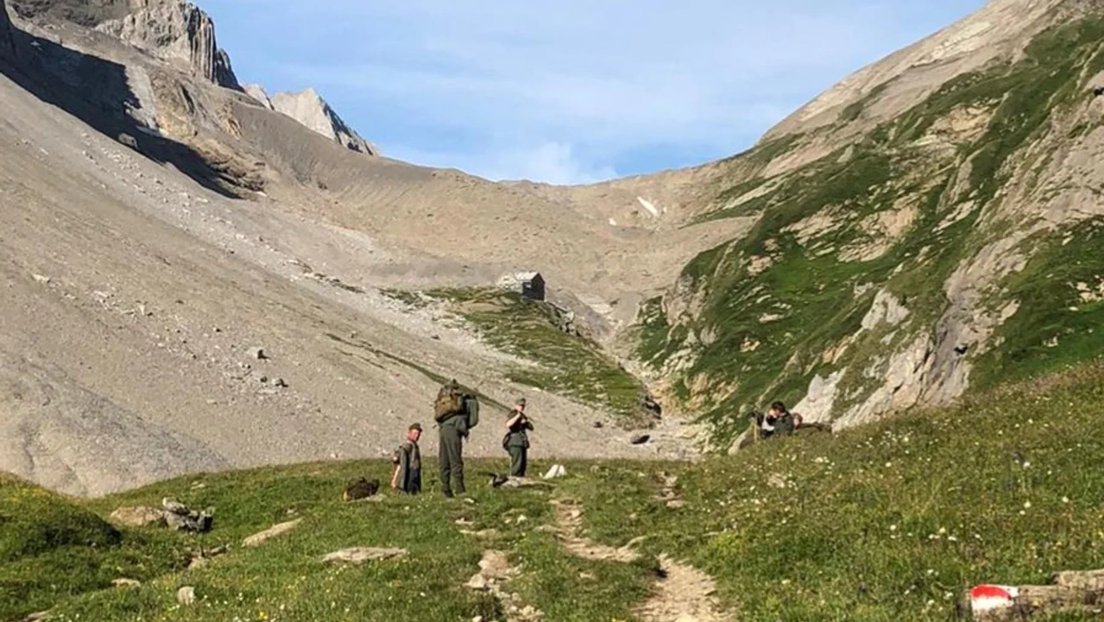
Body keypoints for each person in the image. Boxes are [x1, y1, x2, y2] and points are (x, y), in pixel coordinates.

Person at [436, 380, 470, 498]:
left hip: (443, 428)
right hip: (454, 428)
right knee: (455, 459)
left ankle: (446, 489)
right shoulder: (459, 397)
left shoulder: (442, 397)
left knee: (444, 459)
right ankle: (460, 489)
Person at [503, 398, 534, 477]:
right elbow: (508, 424)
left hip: (522, 441)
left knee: (522, 464)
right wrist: (517, 417)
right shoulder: (513, 414)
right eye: (520, 405)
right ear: (516, 405)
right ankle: (514, 479)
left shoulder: (524, 416)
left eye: (523, 406)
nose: (522, 407)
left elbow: (531, 427)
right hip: (515, 441)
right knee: (517, 463)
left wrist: (526, 422)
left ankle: (520, 478)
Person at [391, 423, 423, 494]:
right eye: (415, 434)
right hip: (410, 471)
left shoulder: (415, 445)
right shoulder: (407, 445)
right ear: (409, 433)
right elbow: (399, 454)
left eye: (418, 434)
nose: (417, 436)